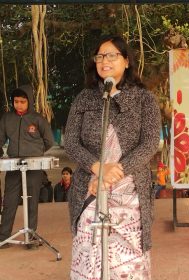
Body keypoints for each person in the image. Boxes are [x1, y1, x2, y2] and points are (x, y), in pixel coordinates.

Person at [65, 35, 160, 279]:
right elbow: (71, 143)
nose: (104, 61)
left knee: (127, 266)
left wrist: (116, 170)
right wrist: (96, 167)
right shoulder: (84, 98)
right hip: (90, 190)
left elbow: (149, 143)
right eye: (99, 56)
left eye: (111, 55)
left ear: (126, 61)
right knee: (90, 257)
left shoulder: (144, 99)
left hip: (130, 193)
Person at [0, 85, 54, 249]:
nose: (19, 105)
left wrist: (36, 152)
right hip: (14, 166)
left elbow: (49, 141)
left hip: (34, 166)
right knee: (9, 201)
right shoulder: (6, 119)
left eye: (22, 102)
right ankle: (4, 237)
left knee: (31, 200)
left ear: (29, 101)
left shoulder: (38, 119)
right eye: (16, 102)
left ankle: (30, 237)